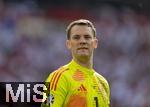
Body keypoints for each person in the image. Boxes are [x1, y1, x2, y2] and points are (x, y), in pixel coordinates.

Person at [41, 19, 110, 107]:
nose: (82, 41)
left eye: (87, 37)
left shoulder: (103, 83)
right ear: (69, 44)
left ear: (95, 43)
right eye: (76, 37)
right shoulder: (57, 77)